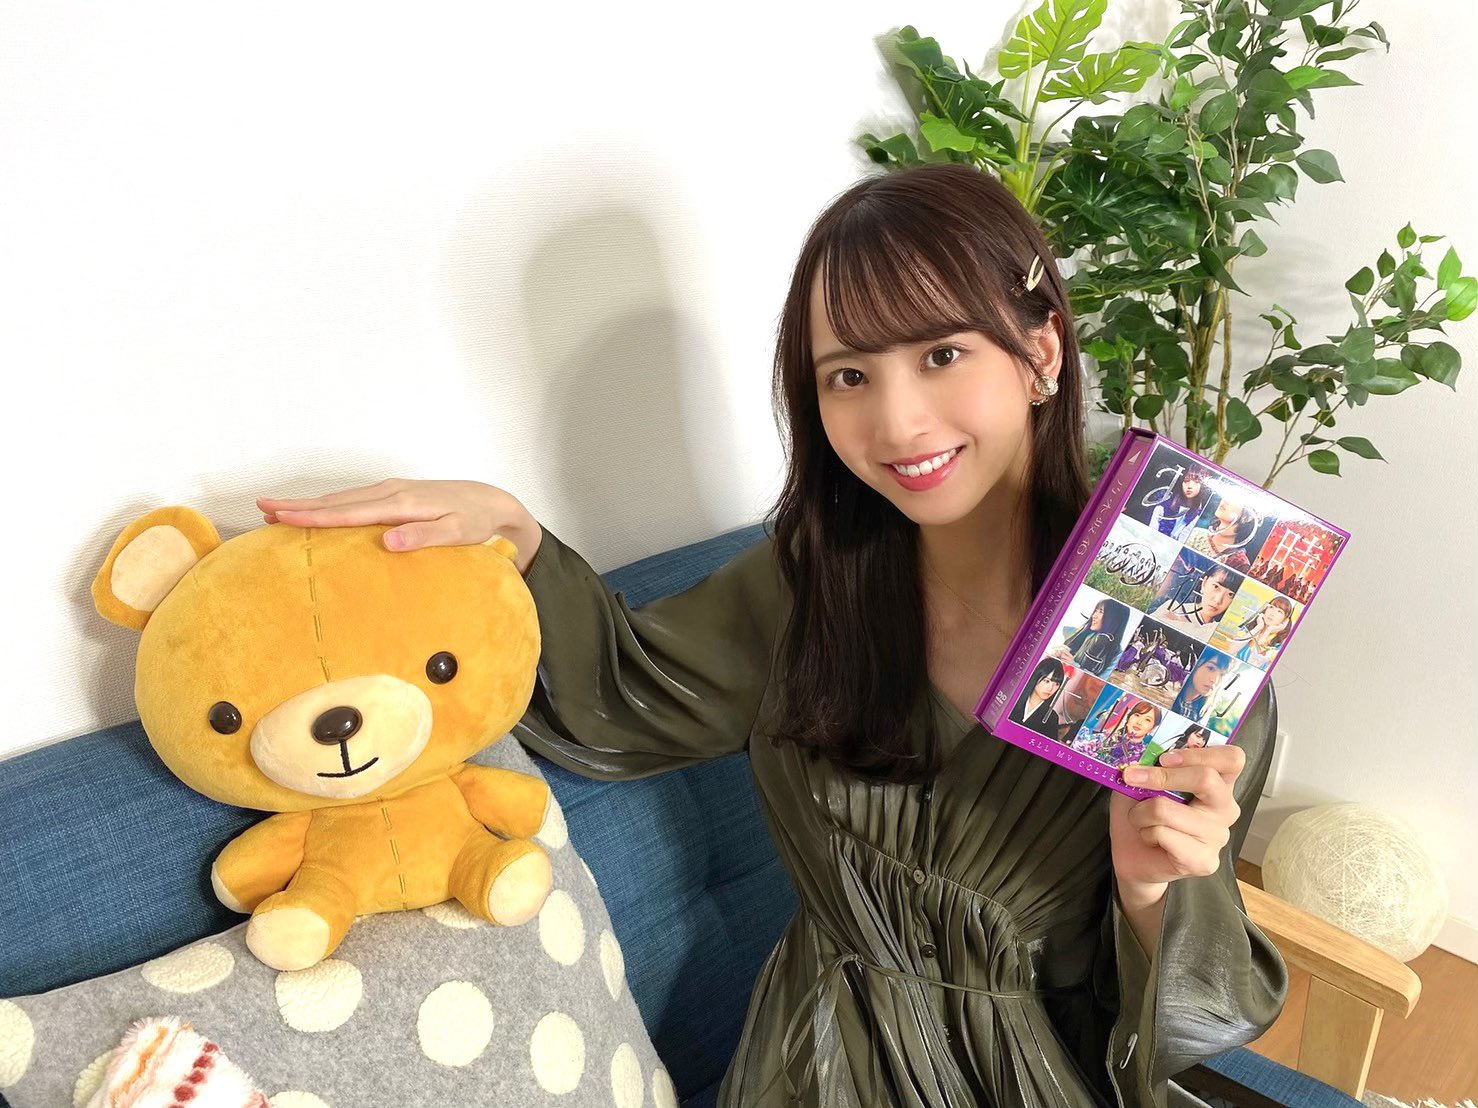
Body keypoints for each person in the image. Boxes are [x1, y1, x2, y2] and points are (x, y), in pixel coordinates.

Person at [257, 164, 1284, 1107]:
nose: (898, 422)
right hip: (816, 1066)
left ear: (1040, 352)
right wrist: (515, 538)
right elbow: (617, 693)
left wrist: (1152, 890)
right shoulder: (804, 587)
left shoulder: (1176, 634)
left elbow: (1190, 1021)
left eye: (942, 353)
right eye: (849, 375)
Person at [1008, 657, 1069, 740]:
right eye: (1047, 681)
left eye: (1056, 684)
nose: (1050, 688)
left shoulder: (1051, 717)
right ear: (1036, 677)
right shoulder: (1013, 699)